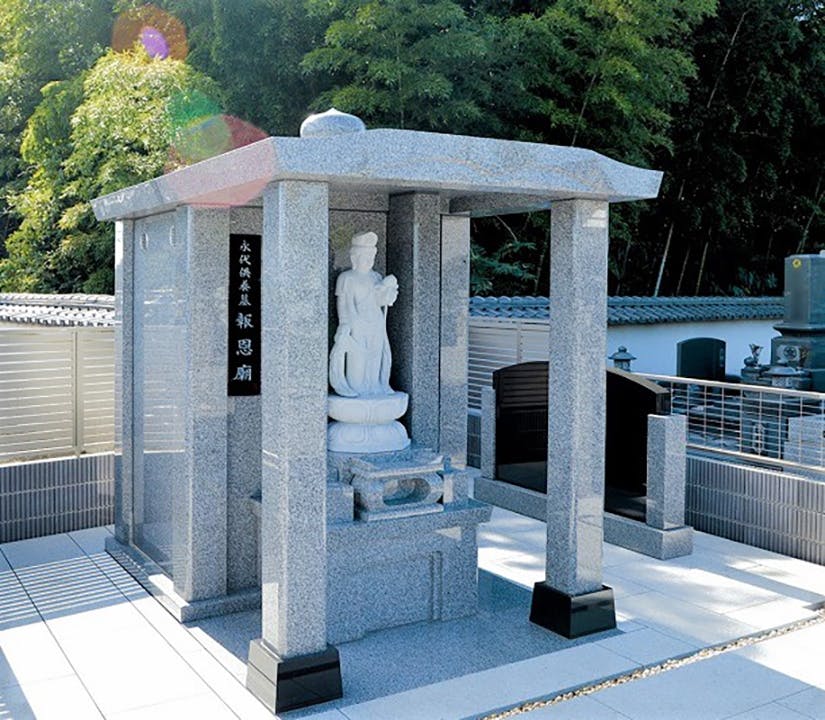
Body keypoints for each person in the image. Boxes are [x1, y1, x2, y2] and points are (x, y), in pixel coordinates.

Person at [329, 231, 399, 397]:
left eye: (371, 257)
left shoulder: (375, 276)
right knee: (357, 357)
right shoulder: (346, 278)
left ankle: (374, 387)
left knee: (375, 357)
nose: (369, 261)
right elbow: (343, 304)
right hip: (356, 323)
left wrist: (388, 293)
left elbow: (381, 301)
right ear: (354, 258)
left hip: (376, 322)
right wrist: (345, 323)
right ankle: (357, 388)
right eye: (364, 257)